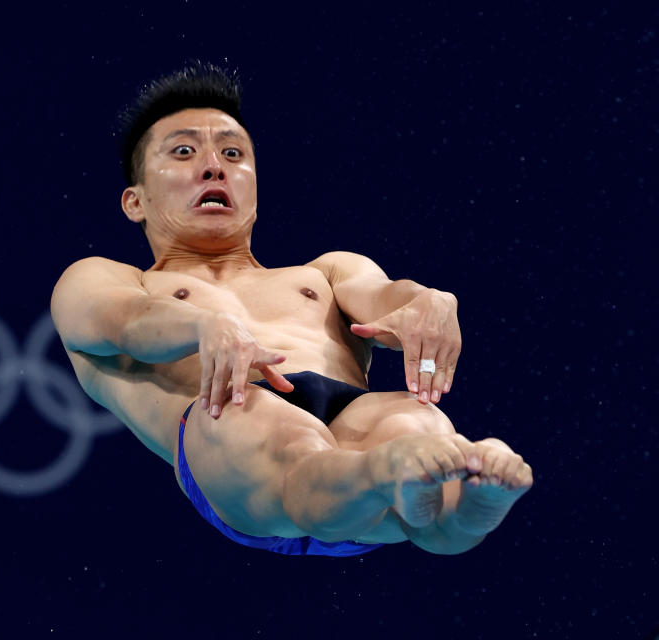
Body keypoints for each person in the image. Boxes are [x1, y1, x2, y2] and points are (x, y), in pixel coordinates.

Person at [50, 62, 532, 556]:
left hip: (351, 428)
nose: (214, 166)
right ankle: (386, 471)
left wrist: (427, 302)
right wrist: (204, 325)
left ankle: (464, 499)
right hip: (234, 449)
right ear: (135, 201)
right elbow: (125, 321)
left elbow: (387, 294)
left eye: (232, 153)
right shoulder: (106, 278)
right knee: (254, 416)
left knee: (412, 419)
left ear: (255, 194)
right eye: (184, 151)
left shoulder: (327, 271)